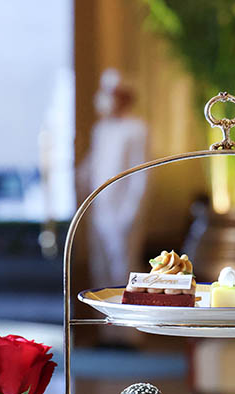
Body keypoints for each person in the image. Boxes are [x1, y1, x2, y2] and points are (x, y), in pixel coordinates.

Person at [78, 70, 148, 290]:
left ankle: (125, 325)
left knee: (122, 272)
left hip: (122, 212)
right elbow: (92, 164)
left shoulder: (137, 129)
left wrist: (131, 211)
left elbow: (141, 174)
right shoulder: (101, 129)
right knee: (101, 270)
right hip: (100, 209)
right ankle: (103, 324)